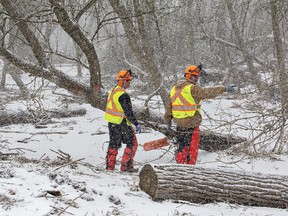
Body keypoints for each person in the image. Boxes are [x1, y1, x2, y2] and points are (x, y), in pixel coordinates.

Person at [164, 65, 236, 165]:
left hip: (179, 125)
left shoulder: (174, 89)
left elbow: (169, 107)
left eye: (197, 77)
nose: (197, 79)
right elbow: (206, 93)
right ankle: (190, 171)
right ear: (188, 76)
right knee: (191, 150)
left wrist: (167, 123)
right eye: (195, 76)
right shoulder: (191, 88)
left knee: (182, 148)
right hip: (191, 124)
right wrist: (224, 88)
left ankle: (180, 168)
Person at [104, 69, 141, 172]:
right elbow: (128, 112)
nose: (129, 83)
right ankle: (126, 167)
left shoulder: (113, 91)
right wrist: (136, 123)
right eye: (128, 81)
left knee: (113, 144)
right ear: (122, 81)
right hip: (122, 123)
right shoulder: (123, 95)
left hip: (112, 123)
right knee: (132, 144)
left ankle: (109, 167)